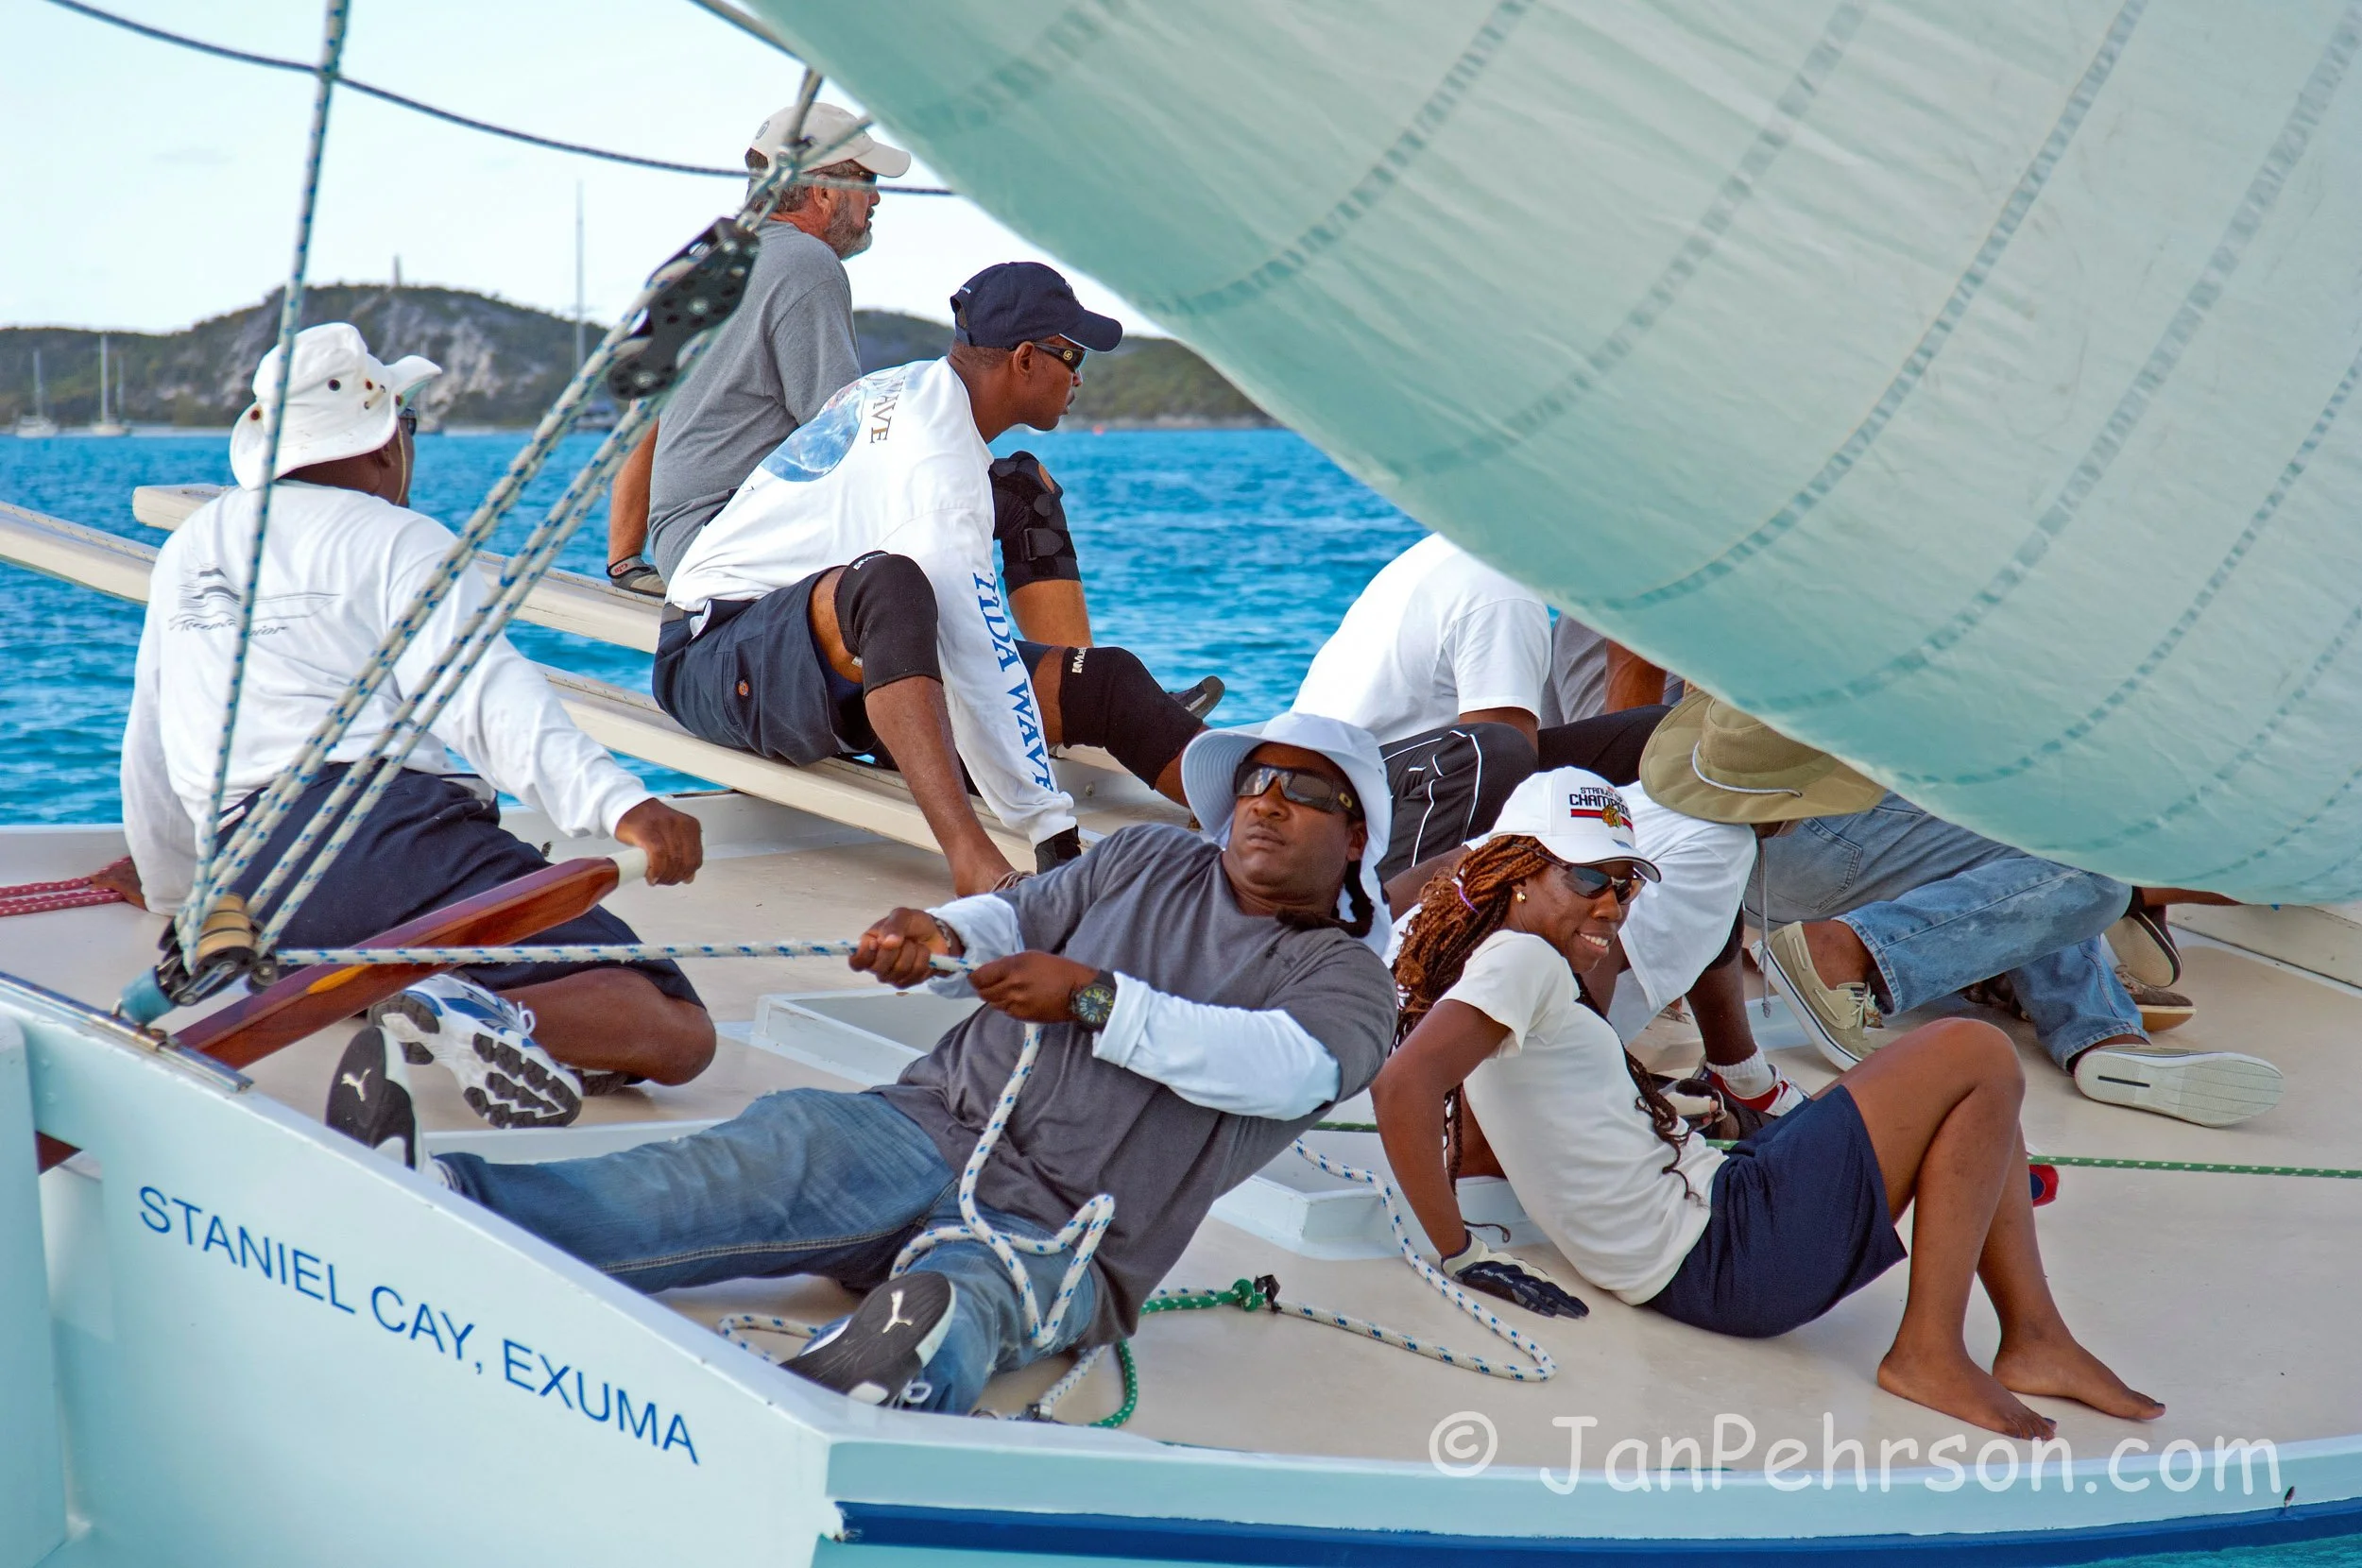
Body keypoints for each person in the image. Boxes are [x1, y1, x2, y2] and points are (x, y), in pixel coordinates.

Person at [330, 713, 1395, 1414]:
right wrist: (935, 936)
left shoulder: (1348, 984)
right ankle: (450, 1197)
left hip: (1064, 1228)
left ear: (1353, 840)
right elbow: (1010, 915)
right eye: (1258, 778)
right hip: (926, 1121)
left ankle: (886, 1368)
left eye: (1306, 792)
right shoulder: (1150, 855)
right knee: (752, 1157)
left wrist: (1093, 996)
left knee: (968, 1291)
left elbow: (1280, 1068)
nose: (1267, 800)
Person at [1370, 775, 2165, 1439]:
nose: (1612, 905)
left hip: (1718, 1217)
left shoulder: (1506, 962)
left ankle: (2033, 1339)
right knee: (1974, 1052)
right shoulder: (1519, 962)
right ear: (1516, 872)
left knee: (1976, 1097)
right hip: (1722, 1256)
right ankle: (1931, 1351)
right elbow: (1403, 1085)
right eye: (1586, 879)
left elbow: (1482, 1120)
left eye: (1624, 884)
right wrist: (1460, 1253)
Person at [122, 324, 715, 1138]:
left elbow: (150, 742)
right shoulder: (401, 539)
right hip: (386, 837)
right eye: (410, 425)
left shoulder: (192, 546)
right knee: (676, 1027)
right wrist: (624, 807)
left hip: (253, 881)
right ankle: (465, 1008)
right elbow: (486, 695)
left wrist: (174, 893)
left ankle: (435, 1004)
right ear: (380, 441)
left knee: (412, 961)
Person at [658, 262, 1209, 892]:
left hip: (821, 660)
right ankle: (970, 859)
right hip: (714, 654)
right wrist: (1052, 834)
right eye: (1071, 353)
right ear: (1025, 359)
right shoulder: (939, 478)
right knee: (891, 587)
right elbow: (980, 656)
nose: (1079, 373)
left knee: (1104, 677)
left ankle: (1232, 797)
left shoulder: (920, 385)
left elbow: (977, 648)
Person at [1637, 692, 2281, 1127]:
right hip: (1800, 822)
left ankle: (2096, 1031)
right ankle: (1848, 951)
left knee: (2040, 837)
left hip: (1730, 820)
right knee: (2089, 870)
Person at [605, 103, 901, 597]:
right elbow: (840, 435)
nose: (875, 198)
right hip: (738, 548)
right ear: (825, 190)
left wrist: (625, 561)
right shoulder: (809, 264)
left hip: (686, 544)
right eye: (868, 179)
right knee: (1016, 498)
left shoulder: (716, 262)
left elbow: (646, 418)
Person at [1292, 533, 1668, 880]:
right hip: (1349, 800)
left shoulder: (1448, 550)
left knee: (1651, 733)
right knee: (1494, 750)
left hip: (1355, 773)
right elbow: (1507, 768)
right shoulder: (1504, 592)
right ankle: (1390, 921)